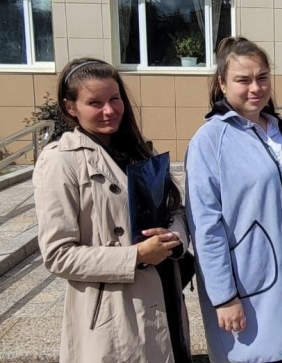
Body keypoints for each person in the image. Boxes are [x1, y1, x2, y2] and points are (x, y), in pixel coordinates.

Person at [185, 37, 282, 363]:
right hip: (253, 287)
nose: (255, 88)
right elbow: (205, 226)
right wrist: (224, 296)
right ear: (222, 83)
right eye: (243, 80)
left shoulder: (280, 129)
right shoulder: (210, 140)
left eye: (262, 77)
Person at [33, 58, 192, 362]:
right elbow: (57, 254)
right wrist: (136, 256)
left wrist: (174, 237)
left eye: (114, 99)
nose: (109, 110)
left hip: (165, 294)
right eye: (95, 102)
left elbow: (177, 210)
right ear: (70, 107)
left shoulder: (138, 149)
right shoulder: (61, 160)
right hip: (115, 311)